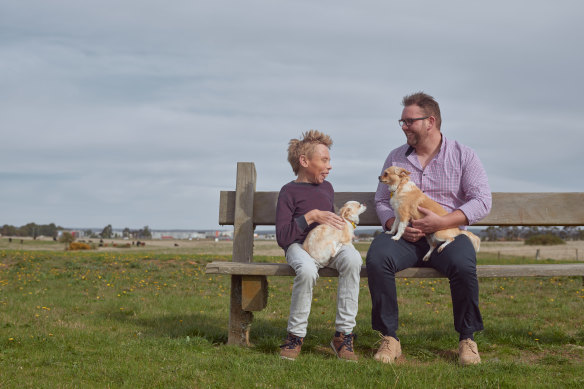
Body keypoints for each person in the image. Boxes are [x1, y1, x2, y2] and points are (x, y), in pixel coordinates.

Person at [366, 92, 491, 366]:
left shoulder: (463, 155)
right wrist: (392, 223)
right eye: (401, 122)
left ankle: (467, 339)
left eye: (409, 121)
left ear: (430, 121)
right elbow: (380, 200)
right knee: (377, 258)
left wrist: (443, 222)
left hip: (446, 233)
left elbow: (482, 200)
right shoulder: (396, 156)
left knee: (463, 263)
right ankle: (389, 338)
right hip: (405, 235)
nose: (404, 127)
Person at [276, 130, 363, 361]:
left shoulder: (327, 187)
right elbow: (283, 237)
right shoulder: (288, 192)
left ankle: (343, 335)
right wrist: (311, 216)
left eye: (329, 160)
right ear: (305, 161)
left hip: (330, 245)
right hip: (299, 247)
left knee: (354, 260)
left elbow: (331, 223)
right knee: (305, 271)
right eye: (324, 160)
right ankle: (295, 336)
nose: (329, 165)